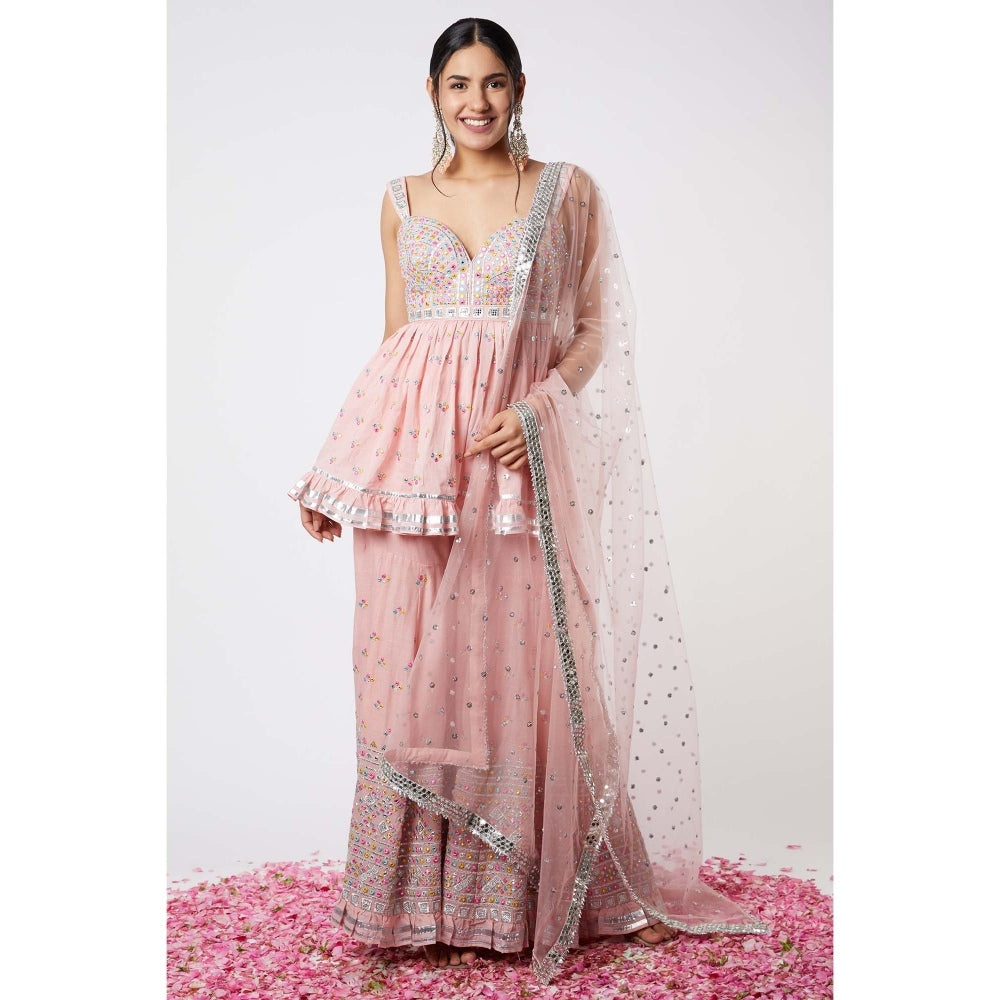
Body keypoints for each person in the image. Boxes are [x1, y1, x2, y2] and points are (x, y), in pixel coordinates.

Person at [288, 16, 767, 985]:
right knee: (403, 673)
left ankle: (566, 890)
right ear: (433, 94)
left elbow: (594, 327)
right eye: (458, 84)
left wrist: (537, 410)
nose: (477, 102)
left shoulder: (565, 191)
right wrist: (342, 466)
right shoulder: (400, 199)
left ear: (518, 89)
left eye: (494, 82)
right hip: (407, 474)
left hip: (514, 468)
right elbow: (395, 342)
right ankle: (417, 905)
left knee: (529, 673)